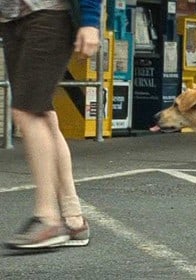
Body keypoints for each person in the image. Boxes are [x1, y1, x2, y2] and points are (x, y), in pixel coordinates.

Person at [0, 0, 101, 249]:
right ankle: (73, 219)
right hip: (11, 19)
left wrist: (90, 21)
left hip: (49, 13)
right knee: (42, 112)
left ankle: (47, 218)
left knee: (26, 111)